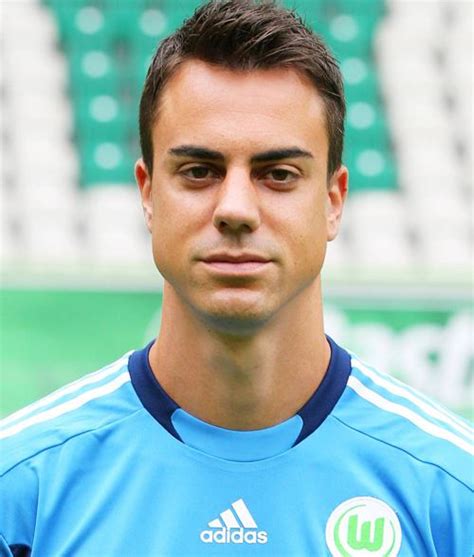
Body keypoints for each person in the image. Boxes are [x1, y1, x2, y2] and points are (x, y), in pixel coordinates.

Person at [1, 1, 472, 555]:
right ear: (148, 194)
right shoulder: (21, 490)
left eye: (279, 174)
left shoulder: (451, 490)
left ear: (333, 200)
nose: (236, 209)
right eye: (199, 171)